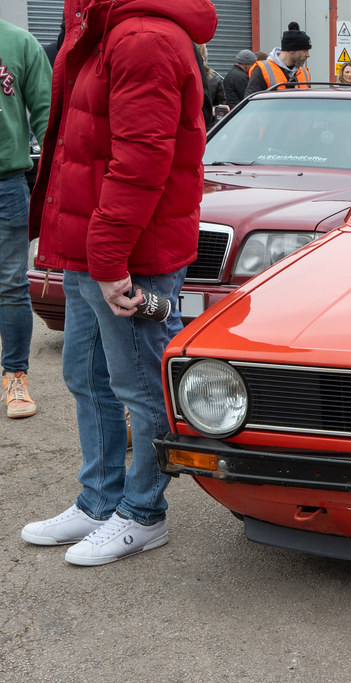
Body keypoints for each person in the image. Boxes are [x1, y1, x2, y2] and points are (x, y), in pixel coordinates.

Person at [21, 0, 217, 566]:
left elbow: (141, 160)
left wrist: (108, 259)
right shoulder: (101, 29)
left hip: (132, 251)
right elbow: (78, 145)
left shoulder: (142, 38)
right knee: (85, 376)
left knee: (139, 387)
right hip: (96, 244)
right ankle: (99, 501)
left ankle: (143, 512)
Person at [0, 19, 51, 420]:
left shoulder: (19, 43)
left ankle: (15, 375)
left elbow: (48, 114)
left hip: (7, 182)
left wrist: (58, 180)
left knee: (11, 285)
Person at [245, 22, 312, 97]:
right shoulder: (262, 70)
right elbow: (251, 101)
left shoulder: (304, 73)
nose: (308, 55)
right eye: (305, 50)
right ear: (292, 50)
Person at [197, 43, 227, 119]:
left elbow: (221, 105)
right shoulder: (214, 78)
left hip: (207, 123)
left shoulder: (214, 78)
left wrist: (216, 109)